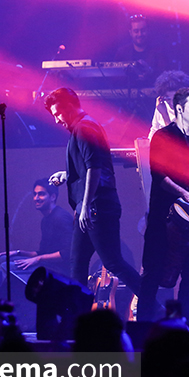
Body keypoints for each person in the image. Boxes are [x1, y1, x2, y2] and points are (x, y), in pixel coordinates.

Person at [44, 88, 141, 295]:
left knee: (113, 262)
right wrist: (67, 175)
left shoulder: (85, 128)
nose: (56, 120)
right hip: (89, 208)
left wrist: (86, 205)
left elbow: (94, 168)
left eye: (58, 114)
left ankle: (154, 305)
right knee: (77, 262)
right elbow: (90, 167)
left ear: (70, 107)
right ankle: (78, 310)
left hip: (96, 207)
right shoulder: (82, 127)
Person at [138, 87, 189, 323]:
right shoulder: (163, 137)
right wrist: (183, 193)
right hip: (163, 217)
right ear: (179, 108)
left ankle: (181, 322)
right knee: (153, 271)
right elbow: (159, 175)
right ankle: (144, 324)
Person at [0, 179, 73, 274]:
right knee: (3, 259)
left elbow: (68, 253)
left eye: (41, 194)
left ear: (53, 197)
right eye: (35, 194)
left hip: (59, 269)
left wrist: (38, 259)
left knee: (6, 266)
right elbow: (43, 252)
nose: (36, 198)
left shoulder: (61, 218)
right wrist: (18, 252)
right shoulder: (46, 220)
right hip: (47, 263)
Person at [114, 14, 169, 85]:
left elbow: (166, 77)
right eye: (136, 31)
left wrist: (151, 73)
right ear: (130, 33)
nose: (140, 34)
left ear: (148, 30)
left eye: (143, 30)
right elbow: (115, 79)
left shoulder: (158, 52)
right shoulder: (122, 53)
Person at [148, 70, 189, 139]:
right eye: (168, 98)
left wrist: (165, 115)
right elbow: (154, 130)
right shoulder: (162, 106)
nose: (172, 103)